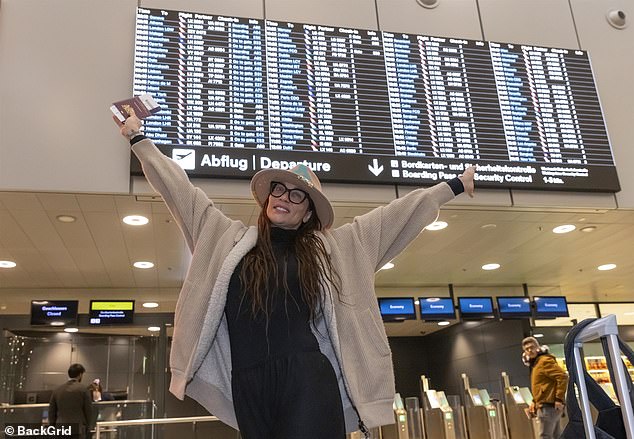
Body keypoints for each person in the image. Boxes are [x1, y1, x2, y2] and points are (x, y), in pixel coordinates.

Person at [113, 109, 475, 439]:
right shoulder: (223, 238)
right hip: (249, 383)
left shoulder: (332, 249)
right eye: (279, 189)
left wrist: (453, 186)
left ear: (307, 214)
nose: (283, 196)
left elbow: (393, 217)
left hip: (306, 379)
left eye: (297, 195)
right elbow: (180, 191)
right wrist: (138, 139)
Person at [522, 336, 568, 439]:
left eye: (532, 347)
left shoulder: (543, 361)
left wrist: (558, 398)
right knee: (556, 435)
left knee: (544, 436)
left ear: (538, 347)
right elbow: (543, 385)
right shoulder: (536, 363)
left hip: (548, 406)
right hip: (547, 405)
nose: (530, 350)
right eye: (527, 349)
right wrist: (535, 401)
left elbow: (562, 376)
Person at [49, 363, 93, 439]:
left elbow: (51, 412)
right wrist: (88, 428)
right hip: (78, 429)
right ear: (80, 375)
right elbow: (88, 411)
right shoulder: (83, 389)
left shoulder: (57, 390)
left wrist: (53, 427)